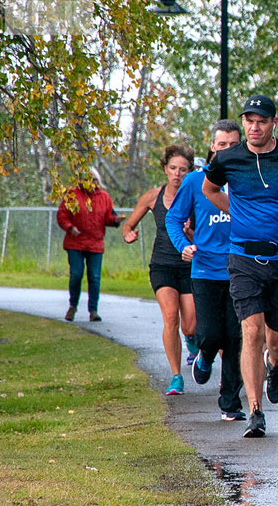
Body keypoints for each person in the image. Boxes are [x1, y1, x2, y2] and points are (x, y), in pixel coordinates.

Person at [203, 95, 278, 438]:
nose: (255, 127)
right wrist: (234, 210)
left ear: (274, 123)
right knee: (251, 330)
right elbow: (210, 188)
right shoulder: (227, 159)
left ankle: (275, 364)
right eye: (249, 121)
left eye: (262, 121)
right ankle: (255, 410)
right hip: (243, 258)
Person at [166, 120, 246, 421]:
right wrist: (182, 246)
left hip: (241, 269)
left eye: (233, 145)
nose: (226, 150)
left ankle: (230, 404)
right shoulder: (194, 182)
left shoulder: (247, 181)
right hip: (205, 270)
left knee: (237, 338)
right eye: (221, 144)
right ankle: (205, 355)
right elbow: (174, 220)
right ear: (212, 146)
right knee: (210, 333)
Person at [121, 145, 198, 396]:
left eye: (183, 170)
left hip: (188, 265)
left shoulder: (198, 195)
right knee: (170, 317)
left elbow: (205, 234)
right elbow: (128, 225)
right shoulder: (153, 196)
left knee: (190, 326)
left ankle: (191, 340)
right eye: (173, 168)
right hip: (162, 265)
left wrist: (190, 234)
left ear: (190, 172)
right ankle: (176, 377)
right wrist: (128, 234)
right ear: (165, 169)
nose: (177, 174)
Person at [56, 168, 122, 322]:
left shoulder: (104, 197)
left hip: (95, 243)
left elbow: (109, 217)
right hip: (75, 242)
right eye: (88, 179)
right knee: (76, 274)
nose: (91, 182)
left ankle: (93, 310)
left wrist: (115, 221)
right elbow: (62, 216)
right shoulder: (72, 195)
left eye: (94, 179)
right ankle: (73, 306)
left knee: (94, 276)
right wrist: (70, 227)